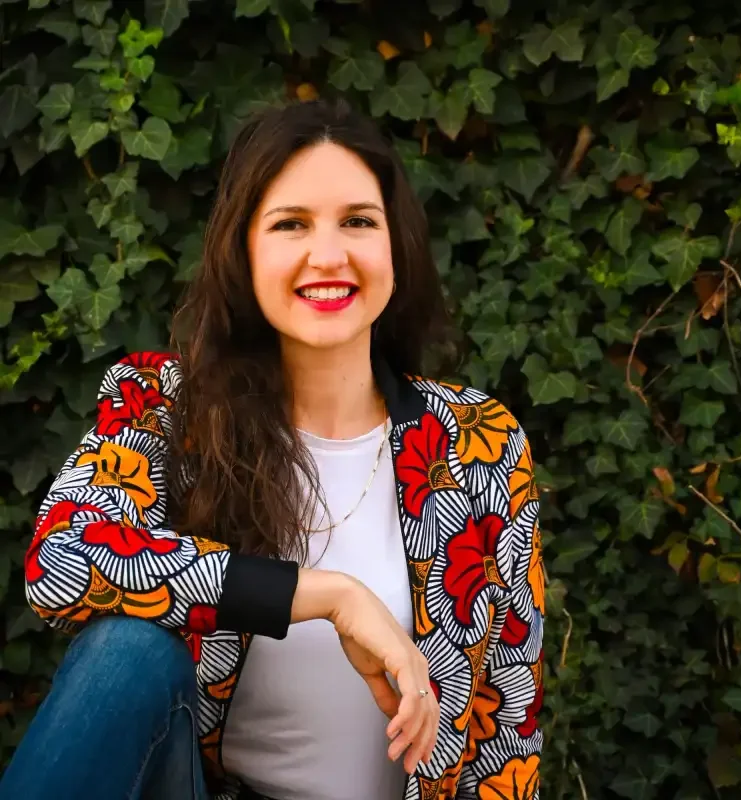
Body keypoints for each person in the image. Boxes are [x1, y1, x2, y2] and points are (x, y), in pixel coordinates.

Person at [0, 98, 544, 800]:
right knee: (125, 653)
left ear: (394, 245)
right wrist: (328, 598)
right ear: (244, 251)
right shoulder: (164, 407)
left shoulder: (480, 443)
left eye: (357, 221)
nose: (329, 255)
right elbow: (61, 562)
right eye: (291, 224)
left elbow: (508, 734)